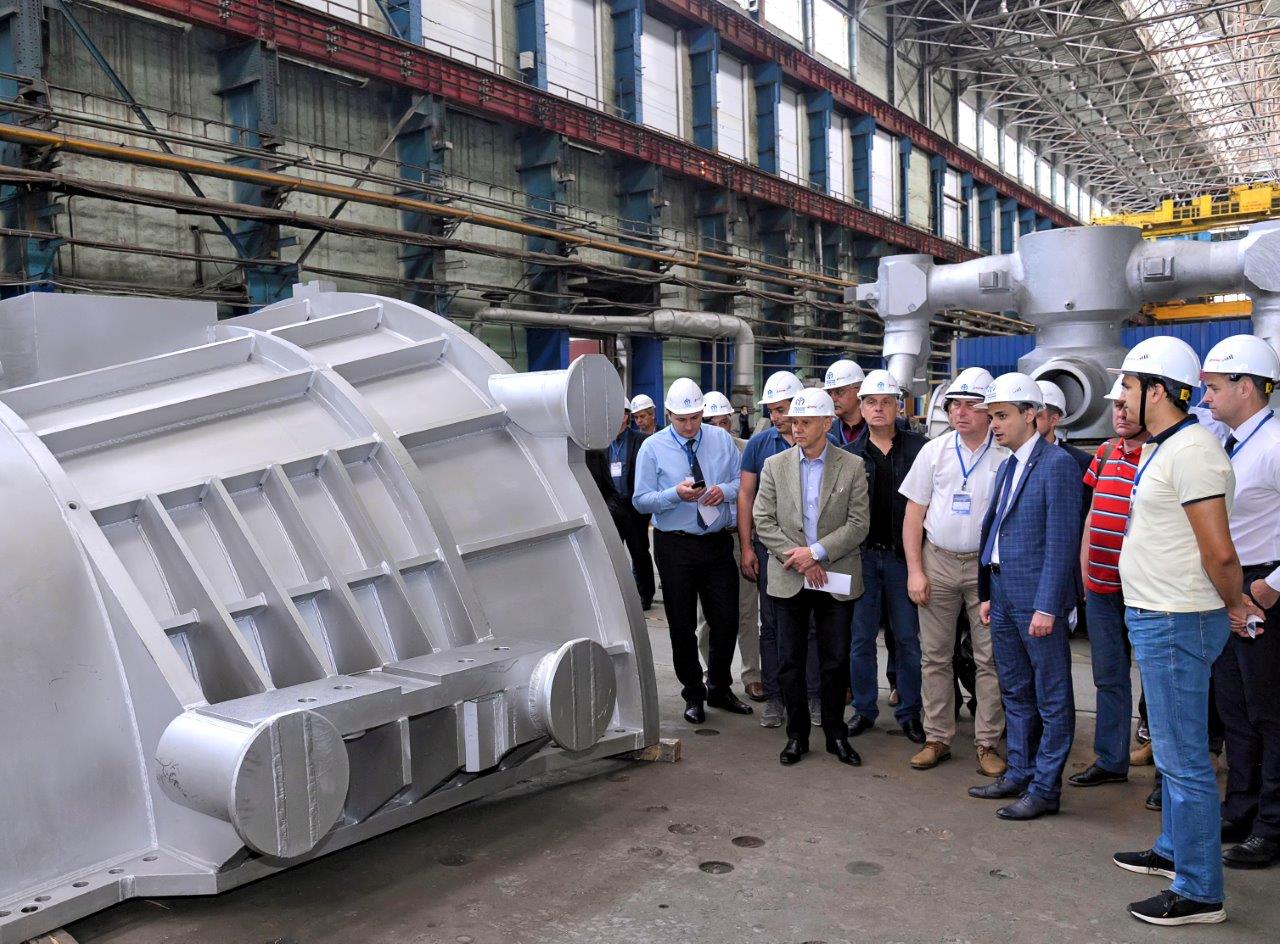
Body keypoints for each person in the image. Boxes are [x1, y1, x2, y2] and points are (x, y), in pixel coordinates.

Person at [1108, 336, 1252, 927]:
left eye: (1128, 386)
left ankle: (1199, 890)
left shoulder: (1192, 452)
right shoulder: (1166, 446)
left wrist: (1236, 604)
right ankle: (1174, 850)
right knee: (1172, 753)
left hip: (1176, 620)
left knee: (1183, 757)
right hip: (1159, 614)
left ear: (1158, 391)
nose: (1120, 397)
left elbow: (1220, 553)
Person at [969, 372, 1080, 821]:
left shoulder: (1057, 465)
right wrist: (987, 591)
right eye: (992, 416)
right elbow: (998, 530)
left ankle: (1046, 787)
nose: (994, 424)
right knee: (1014, 690)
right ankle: (1020, 771)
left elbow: (1061, 542)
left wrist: (1048, 606)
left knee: (1051, 697)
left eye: (1002, 416)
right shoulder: (1009, 465)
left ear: (1031, 415)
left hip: (1036, 601)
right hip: (1003, 594)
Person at [899, 367, 1009, 776]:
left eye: (970, 405)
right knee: (935, 656)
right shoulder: (935, 451)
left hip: (986, 567)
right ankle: (937, 738)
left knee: (989, 658)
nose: (960, 413)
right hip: (939, 561)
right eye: (954, 405)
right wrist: (915, 570)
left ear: (989, 410)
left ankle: (987, 743)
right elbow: (914, 514)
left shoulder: (1005, 454)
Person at [754, 388, 870, 767]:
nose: (797, 428)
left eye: (805, 422)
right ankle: (797, 736)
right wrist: (802, 559)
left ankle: (836, 734)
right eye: (794, 422)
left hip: (834, 576)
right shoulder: (774, 466)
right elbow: (763, 521)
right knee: (790, 660)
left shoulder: (852, 466)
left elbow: (858, 524)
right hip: (790, 576)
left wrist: (817, 552)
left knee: (834, 660)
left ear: (826, 423)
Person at [1201, 334, 1280, 870]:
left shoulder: (1274, 445)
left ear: (1245, 386)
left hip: (1262, 590)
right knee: (1236, 709)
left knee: (1270, 712)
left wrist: (1270, 587)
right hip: (1230, 585)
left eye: (1213, 387)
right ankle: (1242, 808)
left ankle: (1272, 826)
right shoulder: (1227, 442)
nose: (1206, 398)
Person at [633, 378, 753, 725]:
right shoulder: (652, 448)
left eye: (695, 418)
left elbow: (741, 483)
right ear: (668, 414)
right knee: (682, 624)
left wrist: (722, 491)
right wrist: (674, 494)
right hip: (676, 545)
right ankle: (693, 693)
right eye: (681, 419)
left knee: (726, 619)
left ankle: (719, 687)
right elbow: (641, 500)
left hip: (716, 543)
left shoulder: (721, 440)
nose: (689, 426)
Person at [1069, 378, 1149, 791]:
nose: (1119, 412)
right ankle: (1111, 759)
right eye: (1115, 405)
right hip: (1101, 587)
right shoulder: (1103, 453)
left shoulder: (1161, 455)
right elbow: (1092, 515)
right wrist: (1085, 570)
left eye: (1126, 404)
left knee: (1158, 684)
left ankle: (1167, 776)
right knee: (1108, 676)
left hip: (1147, 591)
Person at [844, 370, 928, 745]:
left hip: (902, 559)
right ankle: (864, 710)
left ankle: (910, 712)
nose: (878, 408)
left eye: (886, 402)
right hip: (861, 559)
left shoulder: (920, 450)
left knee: (907, 639)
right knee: (860, 639)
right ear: (861, 408)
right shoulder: (848, 456)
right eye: (871, 402)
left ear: (898, 407)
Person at [737, 370, 821, 728]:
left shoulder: (824, 443)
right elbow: (746, 497)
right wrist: (747, 547)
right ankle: (775, 698)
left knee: (814, 625)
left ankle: (814, 696)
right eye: (771, 410)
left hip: (814, 554)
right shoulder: (759, 445)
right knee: (771, 625)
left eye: (781, 409)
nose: (776, 416)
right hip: (770, 551)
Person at [697, 391, 762, 701]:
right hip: (708, 542)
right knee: (707, 615)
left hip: (740, 540)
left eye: (724, 422)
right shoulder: (693, 455)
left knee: (747, 610)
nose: (720, 428)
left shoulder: (747, 451)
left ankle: (752, 674)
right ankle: (711, 671)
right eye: (712, 423)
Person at [585, 399, 654, 609]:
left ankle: (645, 595)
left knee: (639, 553)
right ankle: (616, 597)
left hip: (634, 509)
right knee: (611, 555)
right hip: (610, 508)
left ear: (625, 416)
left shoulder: (641, 441)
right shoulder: (599, 445)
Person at [822, 359, 867, 446]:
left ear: (859, 390)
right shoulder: (825, 433)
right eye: (829, 393)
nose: (833, 399)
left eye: (839, 391)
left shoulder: (878, 427)